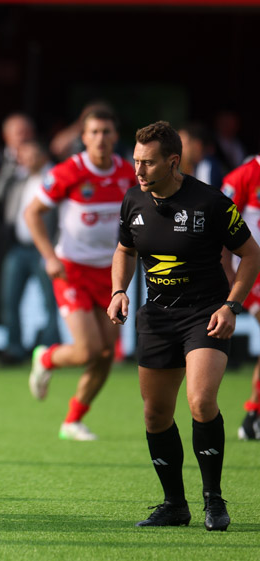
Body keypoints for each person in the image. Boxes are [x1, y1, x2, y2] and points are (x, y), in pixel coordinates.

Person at [108, 120, 260, 531]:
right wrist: (118, 290)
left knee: (200, 402)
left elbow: (251, 254)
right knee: (155, 415)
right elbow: (124, 249)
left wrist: (231, 305)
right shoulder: (133, 202)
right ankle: (174, 504)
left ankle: (214, 500)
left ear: (173, 162)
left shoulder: (211, 203)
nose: (138, 171)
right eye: (136, 161)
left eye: (148, 163)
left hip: (205, 314)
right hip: (157, 316)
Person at [24, 107, 136, 441]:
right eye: (94, 132)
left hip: (111, 273)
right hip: (71, 270)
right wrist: (48, 256)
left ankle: (72, 420)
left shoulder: (128, 174)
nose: (101, 138)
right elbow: (33, 212)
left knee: (107, 355)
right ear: (83, 137)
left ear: (115, 137)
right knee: (88, 350)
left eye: (106, 132)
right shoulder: (68, 172)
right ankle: (45, 358)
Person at [0, 139, 60, 367]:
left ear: (43, 157)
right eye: (23, 156)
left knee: (50, 301)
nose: (25, 160)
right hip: (19, 247)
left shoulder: (55, 177)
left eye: (31, 155)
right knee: (10, 300)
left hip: (44, 249)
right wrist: (9, 167)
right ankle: (13, 349)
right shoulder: (18, 177)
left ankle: (51, 350)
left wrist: (54, 248)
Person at [218, 154, 260, 440]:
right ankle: (252, 417)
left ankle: (253, 416)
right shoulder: (245, 175)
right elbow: (218, 226)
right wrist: (227, 271)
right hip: (252, 273)